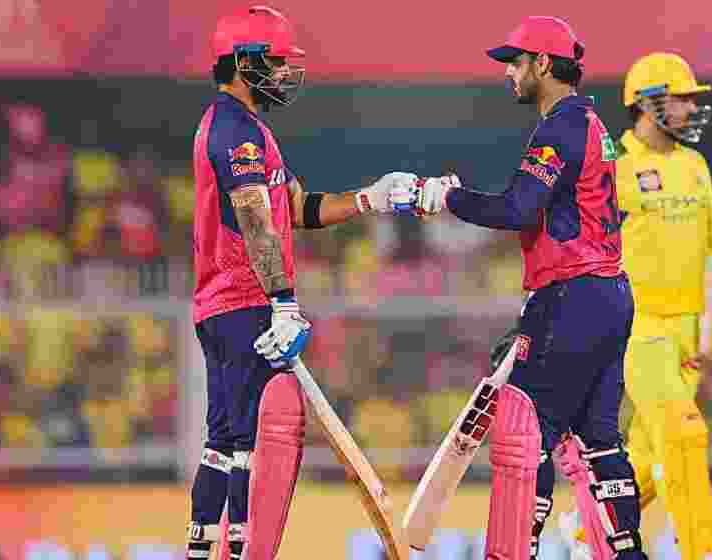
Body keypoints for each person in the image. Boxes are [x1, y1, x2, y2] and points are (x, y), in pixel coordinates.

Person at [186, 7, 417, 560]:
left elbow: (296, 209)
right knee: (244, 446)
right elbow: (253, 219)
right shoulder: (233, 130)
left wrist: (370, 198)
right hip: (242, 304)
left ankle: (203, 550)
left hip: (232, 305)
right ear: (244, 62)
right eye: (276, 60)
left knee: (225, 444)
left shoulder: (253, 131)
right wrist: (283, 304)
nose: (286, 73)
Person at [414, 15, 647, 560]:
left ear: (544, 63)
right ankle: (628, 552)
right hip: (608, 295)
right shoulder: (592, 124)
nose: (510, 74)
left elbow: (518, 208)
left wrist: (445, 195)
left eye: (516, 62)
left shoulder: (562, 125)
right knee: (599, 441)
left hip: (574, 296)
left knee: (527, 433)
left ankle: (517, 552)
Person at [566, 53, 712, 560]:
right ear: (648, 104)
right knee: (687, 435)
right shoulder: (615, 169)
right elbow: (579, 245)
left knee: (650, 461)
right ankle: (701, 551)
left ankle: (588, 537)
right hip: (638, 329)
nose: (692, 108)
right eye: (683, 98)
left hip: (687, 334)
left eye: (694, 100)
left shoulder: (694, 166)